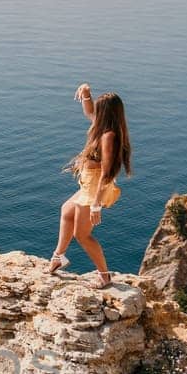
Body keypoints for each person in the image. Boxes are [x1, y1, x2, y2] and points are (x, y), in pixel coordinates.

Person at [48, 85, 132, 285]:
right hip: (90, 185)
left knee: (82, 235)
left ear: (106, 113)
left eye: (99, 108)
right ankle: (59, 257)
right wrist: (86, 94)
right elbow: (89, 112)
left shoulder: (108, 136)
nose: (95, 111)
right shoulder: (104, 127)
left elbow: (107, 171)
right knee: (67, 211)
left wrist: (96, 204)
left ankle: (104, 275)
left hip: (96, 187)